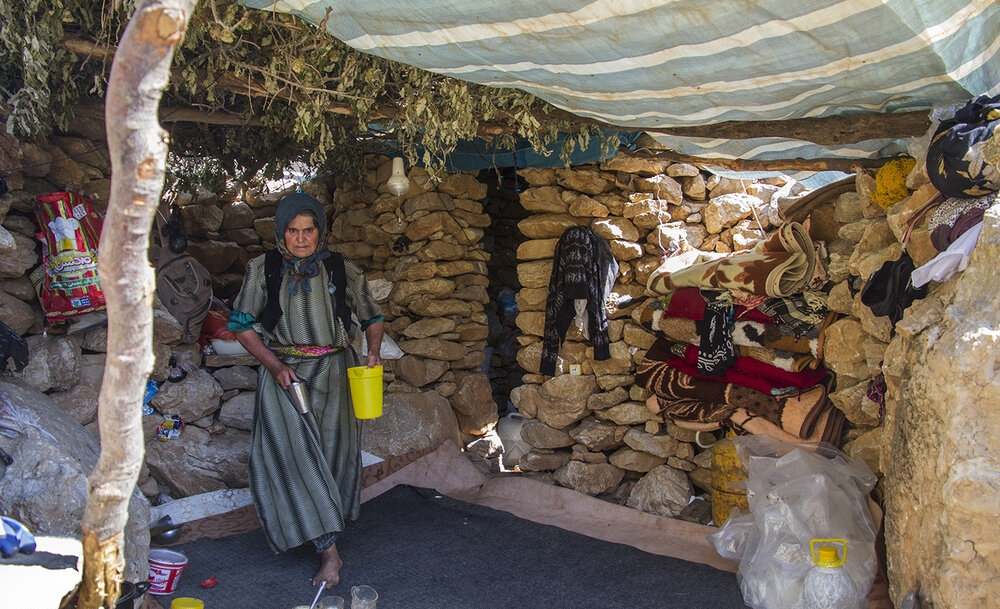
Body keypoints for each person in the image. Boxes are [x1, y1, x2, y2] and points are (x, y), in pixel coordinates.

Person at [227, 191, 384, 589]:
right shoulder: (263, 269)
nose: (301, 239)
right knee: (293, 454)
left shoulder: (341, 268)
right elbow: (241, 325)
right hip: (286, 375)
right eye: (293, 231)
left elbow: (372, 315)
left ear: (320, 230)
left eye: (308, 230)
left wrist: (374, 351)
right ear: (281, 232)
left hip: (336, 372)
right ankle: (330, 553)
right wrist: (276, 365)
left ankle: (322, 529)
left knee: (332, 455)